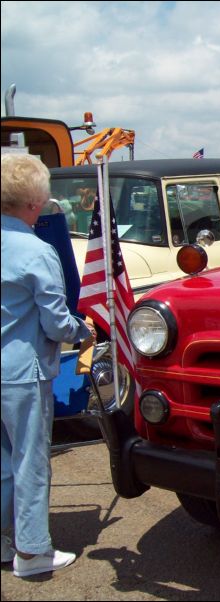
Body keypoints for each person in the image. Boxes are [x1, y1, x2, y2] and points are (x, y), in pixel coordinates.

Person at [1, 153, 95, 577]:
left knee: (3, 462)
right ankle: (33, 550)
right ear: (35, 202)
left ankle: (6, 540)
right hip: (22, 371)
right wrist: (84, 331)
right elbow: (57, 324)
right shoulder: (37, 251)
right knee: (30, 461)